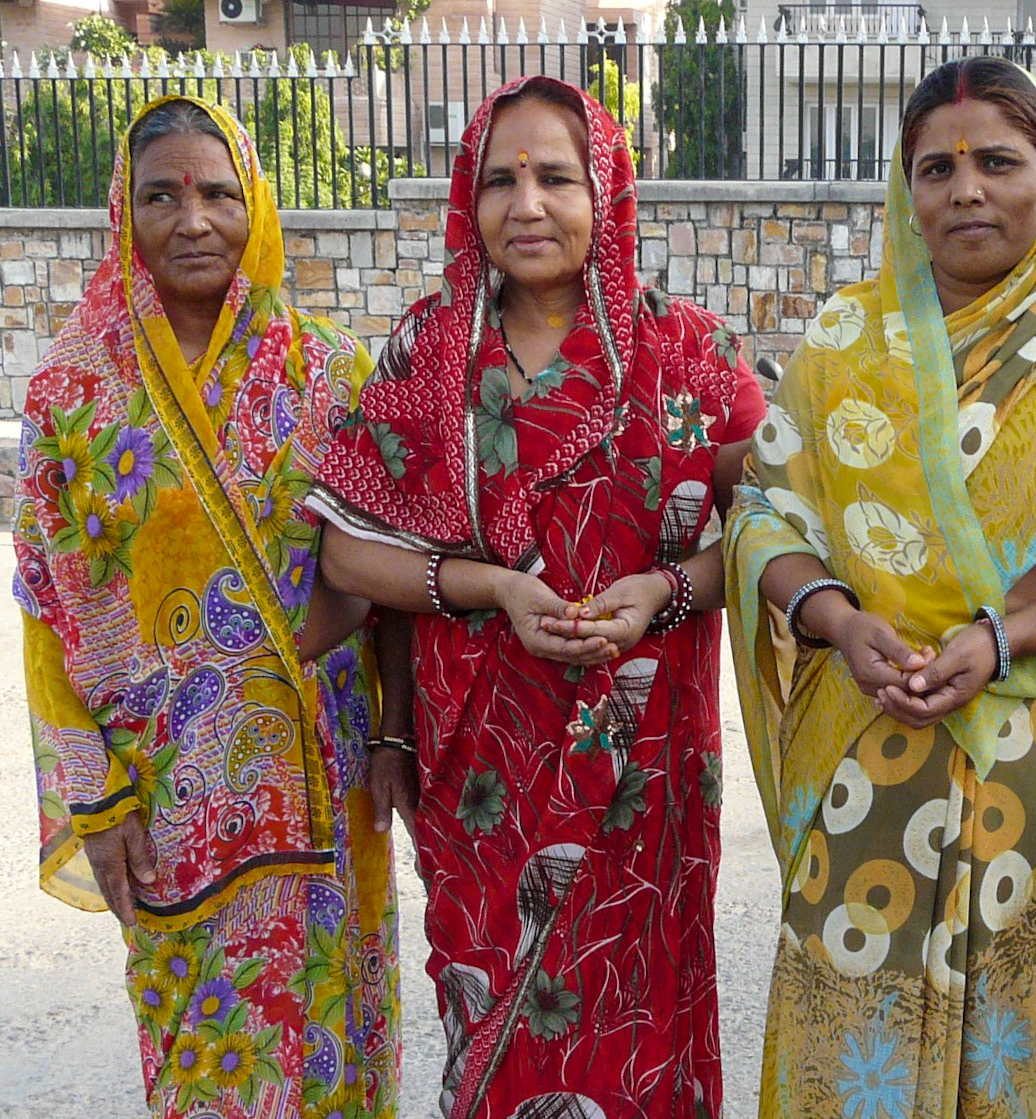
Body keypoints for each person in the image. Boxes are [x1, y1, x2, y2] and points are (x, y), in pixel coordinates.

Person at [726, 56, 1036, 1116]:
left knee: (1013, 1040)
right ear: (905, 189)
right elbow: (766, 508)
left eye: (996, 161)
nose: (964, 191)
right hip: (863, 742)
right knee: (845, 1029)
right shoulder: (842, 342)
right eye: (934, 168)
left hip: (1035, 762)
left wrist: (1006, 637)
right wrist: (833, 617)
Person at [308, 76, 764, 1119]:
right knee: (491, 1004)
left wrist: (660, 588)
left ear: (605, 190)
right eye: (497, 179)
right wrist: (494, 588)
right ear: (465, 202)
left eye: (555, 176)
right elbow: (346, 554)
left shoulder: (688, 352)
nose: (526, 205)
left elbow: (765, 530)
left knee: (637, 1006)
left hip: (641, 758)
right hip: (483, 767)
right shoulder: (429, 351)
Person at [12, 96, 407, 1118]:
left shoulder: (329, 371)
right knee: (206, 1064)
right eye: (161, 197)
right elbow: (46, 607)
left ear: (257, 204)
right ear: (122, 212)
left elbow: (395, 570)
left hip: (320, 787)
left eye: (219, 194)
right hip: (170, 802)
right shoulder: (72, 393)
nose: (193, 221)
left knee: (336, 1044)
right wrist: (93, 802)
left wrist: (395, 732)